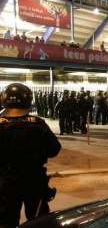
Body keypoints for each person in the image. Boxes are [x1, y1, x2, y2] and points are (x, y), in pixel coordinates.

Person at [0, 83, 61, 227]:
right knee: (39, 221)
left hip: (6, 180)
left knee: (6, 220)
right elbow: (54, 149)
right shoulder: (38, 123)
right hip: (34, 179)